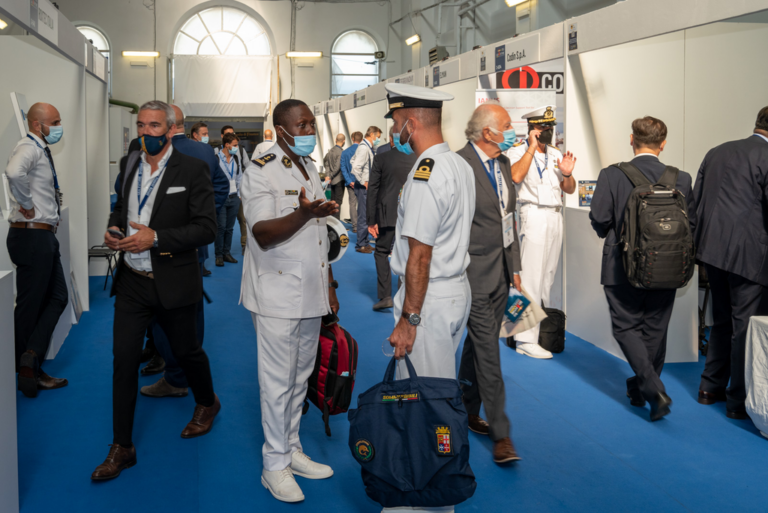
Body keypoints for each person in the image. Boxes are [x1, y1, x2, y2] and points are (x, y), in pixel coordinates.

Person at [93, 101, 220, 481]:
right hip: (132, 282)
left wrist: (156, 238)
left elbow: (206, 229)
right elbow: (122, 210)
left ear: (171, 129)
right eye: (141, 126)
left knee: (187, 351)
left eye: (154, 126)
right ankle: (122, 446)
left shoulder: (193, 169)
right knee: (122, 359)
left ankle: (206, 402)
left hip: (175, 280)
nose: (147, 133)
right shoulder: (129, 163)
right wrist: (115, 229)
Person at [241, 99, 340, 503]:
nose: (308, 131)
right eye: (301, 125)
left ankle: (293, 449)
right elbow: (262, 232)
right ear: (280, 130)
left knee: (301, 376)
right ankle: (274, 465)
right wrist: (303, 214)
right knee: (277, 383)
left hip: (311, 290)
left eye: (311, 124)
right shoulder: (260, 171)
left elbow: (320, 235)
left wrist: (330, 284)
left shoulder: (309, 166)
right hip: (276, 293)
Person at [386, 83, 475, 513]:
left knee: (425, 405)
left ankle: (429, 502)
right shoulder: (457, 164)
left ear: (410, 122)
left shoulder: (425, 172)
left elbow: (419, 256)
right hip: (454, 291)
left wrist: (409, 320)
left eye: (396, 122)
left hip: (429, 302)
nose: (394, 130)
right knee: (432, 395)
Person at [589, 117, 695, 422]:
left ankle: (651, 387)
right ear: (663, 144)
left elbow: (599, 218)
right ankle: (641, 389)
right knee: (655, 329)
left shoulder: (612, 174)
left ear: (632, 140)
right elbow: (692, 224)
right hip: (669, 266)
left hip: (620, 266)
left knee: (625, 326)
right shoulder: (682, 179)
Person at [140, 104, 228, 398]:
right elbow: (221, 187)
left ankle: (176, 376)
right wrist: (202, 217)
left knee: (161, 315)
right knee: (192, 313)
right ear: (183, 124)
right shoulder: (204, 152)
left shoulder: (146, 151)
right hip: (192, 248)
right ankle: (184, 371)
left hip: (157, 249)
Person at [691, 106, 768, 420]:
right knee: (745, 328)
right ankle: (739, 400)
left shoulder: (717, 151)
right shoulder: (765, 157)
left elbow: (696, 201)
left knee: (722, 320)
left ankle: (710, 389)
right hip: (749, 256)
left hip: (712, 252)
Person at [456, 104, 522, 461]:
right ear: (488, 133)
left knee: (476, 346)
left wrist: (515, 268)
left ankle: (465, 408)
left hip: (501, 274)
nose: (513, 131)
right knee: (489, 352)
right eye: (508, 126)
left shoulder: (504, 163)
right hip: (472, 275)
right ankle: (501, 434)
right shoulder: (458, 165)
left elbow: (507, 218)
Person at [5, 102, 69, 398]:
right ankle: (24, 368)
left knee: (56, 297)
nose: (58, 126)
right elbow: (13, 172)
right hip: (32, 238)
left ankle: (30, 358)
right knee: (32, 306)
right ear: (36, 124)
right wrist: (27, 205)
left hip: (41, 238)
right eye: (54, 122)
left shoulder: (40, 148)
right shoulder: (28, 147)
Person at [506, 106, 577, 359]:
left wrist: (567, 173)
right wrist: (530, 149)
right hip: (532, 214)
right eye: (543, 129)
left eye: (551, 128)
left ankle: (516, 331)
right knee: (529, 279)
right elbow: (515, 177)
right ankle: (524, 339)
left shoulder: (556, 153)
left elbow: (568, 188)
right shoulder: (516, 151)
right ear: (532, 129)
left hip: (554, 215)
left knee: (546, 278)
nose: (549, 132)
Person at [367, 127, 417, 311]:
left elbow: (372, 189)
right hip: (413, 215)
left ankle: (385, 296)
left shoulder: (382, 158)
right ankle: (406, 296)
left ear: (391, 139)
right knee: (410, 254)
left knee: (381, 252)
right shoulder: (419, 159)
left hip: (387, 214)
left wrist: (371, 220)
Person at [351, 126, 382, 254]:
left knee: (367, 214)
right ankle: (360, 244)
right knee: (364, 215)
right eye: (378, 137)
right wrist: (363, 182)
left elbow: (352, 160)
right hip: (363, 188)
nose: (379, 140)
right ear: (372, 135)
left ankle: (365, 242)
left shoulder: (366, 147)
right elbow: (355, 167)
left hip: (365, 186)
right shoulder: (364, 148)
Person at [245, 129, 276, 253]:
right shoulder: (276, 146)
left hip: (261, 179)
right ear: (272, 135)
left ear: (264, 136)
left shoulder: (259, 146)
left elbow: (252, 162)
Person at [214, 132, 243, 267]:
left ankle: (227, 253)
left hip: (234, 197)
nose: (237, 147)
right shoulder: (216, 158)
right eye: (235, 145)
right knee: (221, 228)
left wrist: (239, 194)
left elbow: (239, 177)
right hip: (221, 198)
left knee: (230, 228)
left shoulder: (236, 159)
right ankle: (218, 255)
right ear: (227, 144)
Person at [341, 132, 363, 231]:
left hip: (350, 183)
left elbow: (343, 168)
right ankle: (362, 225)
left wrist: (349, 181)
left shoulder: (345, 152)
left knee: (352, 204)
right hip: (361, 183)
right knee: (362, 204)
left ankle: (355, 226)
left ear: (352, 138)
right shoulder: (364, 151)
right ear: (362, 139)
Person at [324, 133, 346, 219]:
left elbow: (326, 164)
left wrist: (328, 175)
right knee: (338, 203)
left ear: (335, 140)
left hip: (332, 181)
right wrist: (331, 176)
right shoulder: (341, 152)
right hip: (339, 180)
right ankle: (337, 224)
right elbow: (337, 167)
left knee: (332, 202)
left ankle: (332, 221)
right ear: (343, 141)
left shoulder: (330, 151)